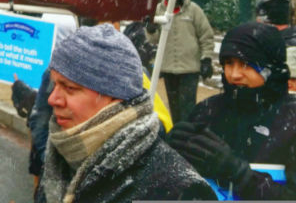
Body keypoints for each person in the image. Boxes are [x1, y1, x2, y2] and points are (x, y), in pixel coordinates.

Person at [36, 24, 215, 203]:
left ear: (115, 96)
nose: (52, 99)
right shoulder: (60, 155)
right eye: (54, 85)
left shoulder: (178, 190)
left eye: (69, 87)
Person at [169, 22, 296, 200]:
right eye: (228, 63)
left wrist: (236, 173)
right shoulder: (207, 111)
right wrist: (169, 154)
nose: (234, 74)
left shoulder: (290, 120)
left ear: (271, 65)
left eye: (246, 63)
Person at [146, 0, 214, 123]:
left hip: (189, 68)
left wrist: (206, 58)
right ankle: (177, 133)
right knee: (174, 106)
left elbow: (206, 35)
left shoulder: (194, 10)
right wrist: (151, 29)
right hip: (169, 68)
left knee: (188, 106)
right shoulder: (159, 10)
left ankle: (189, 135)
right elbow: (154, 40)